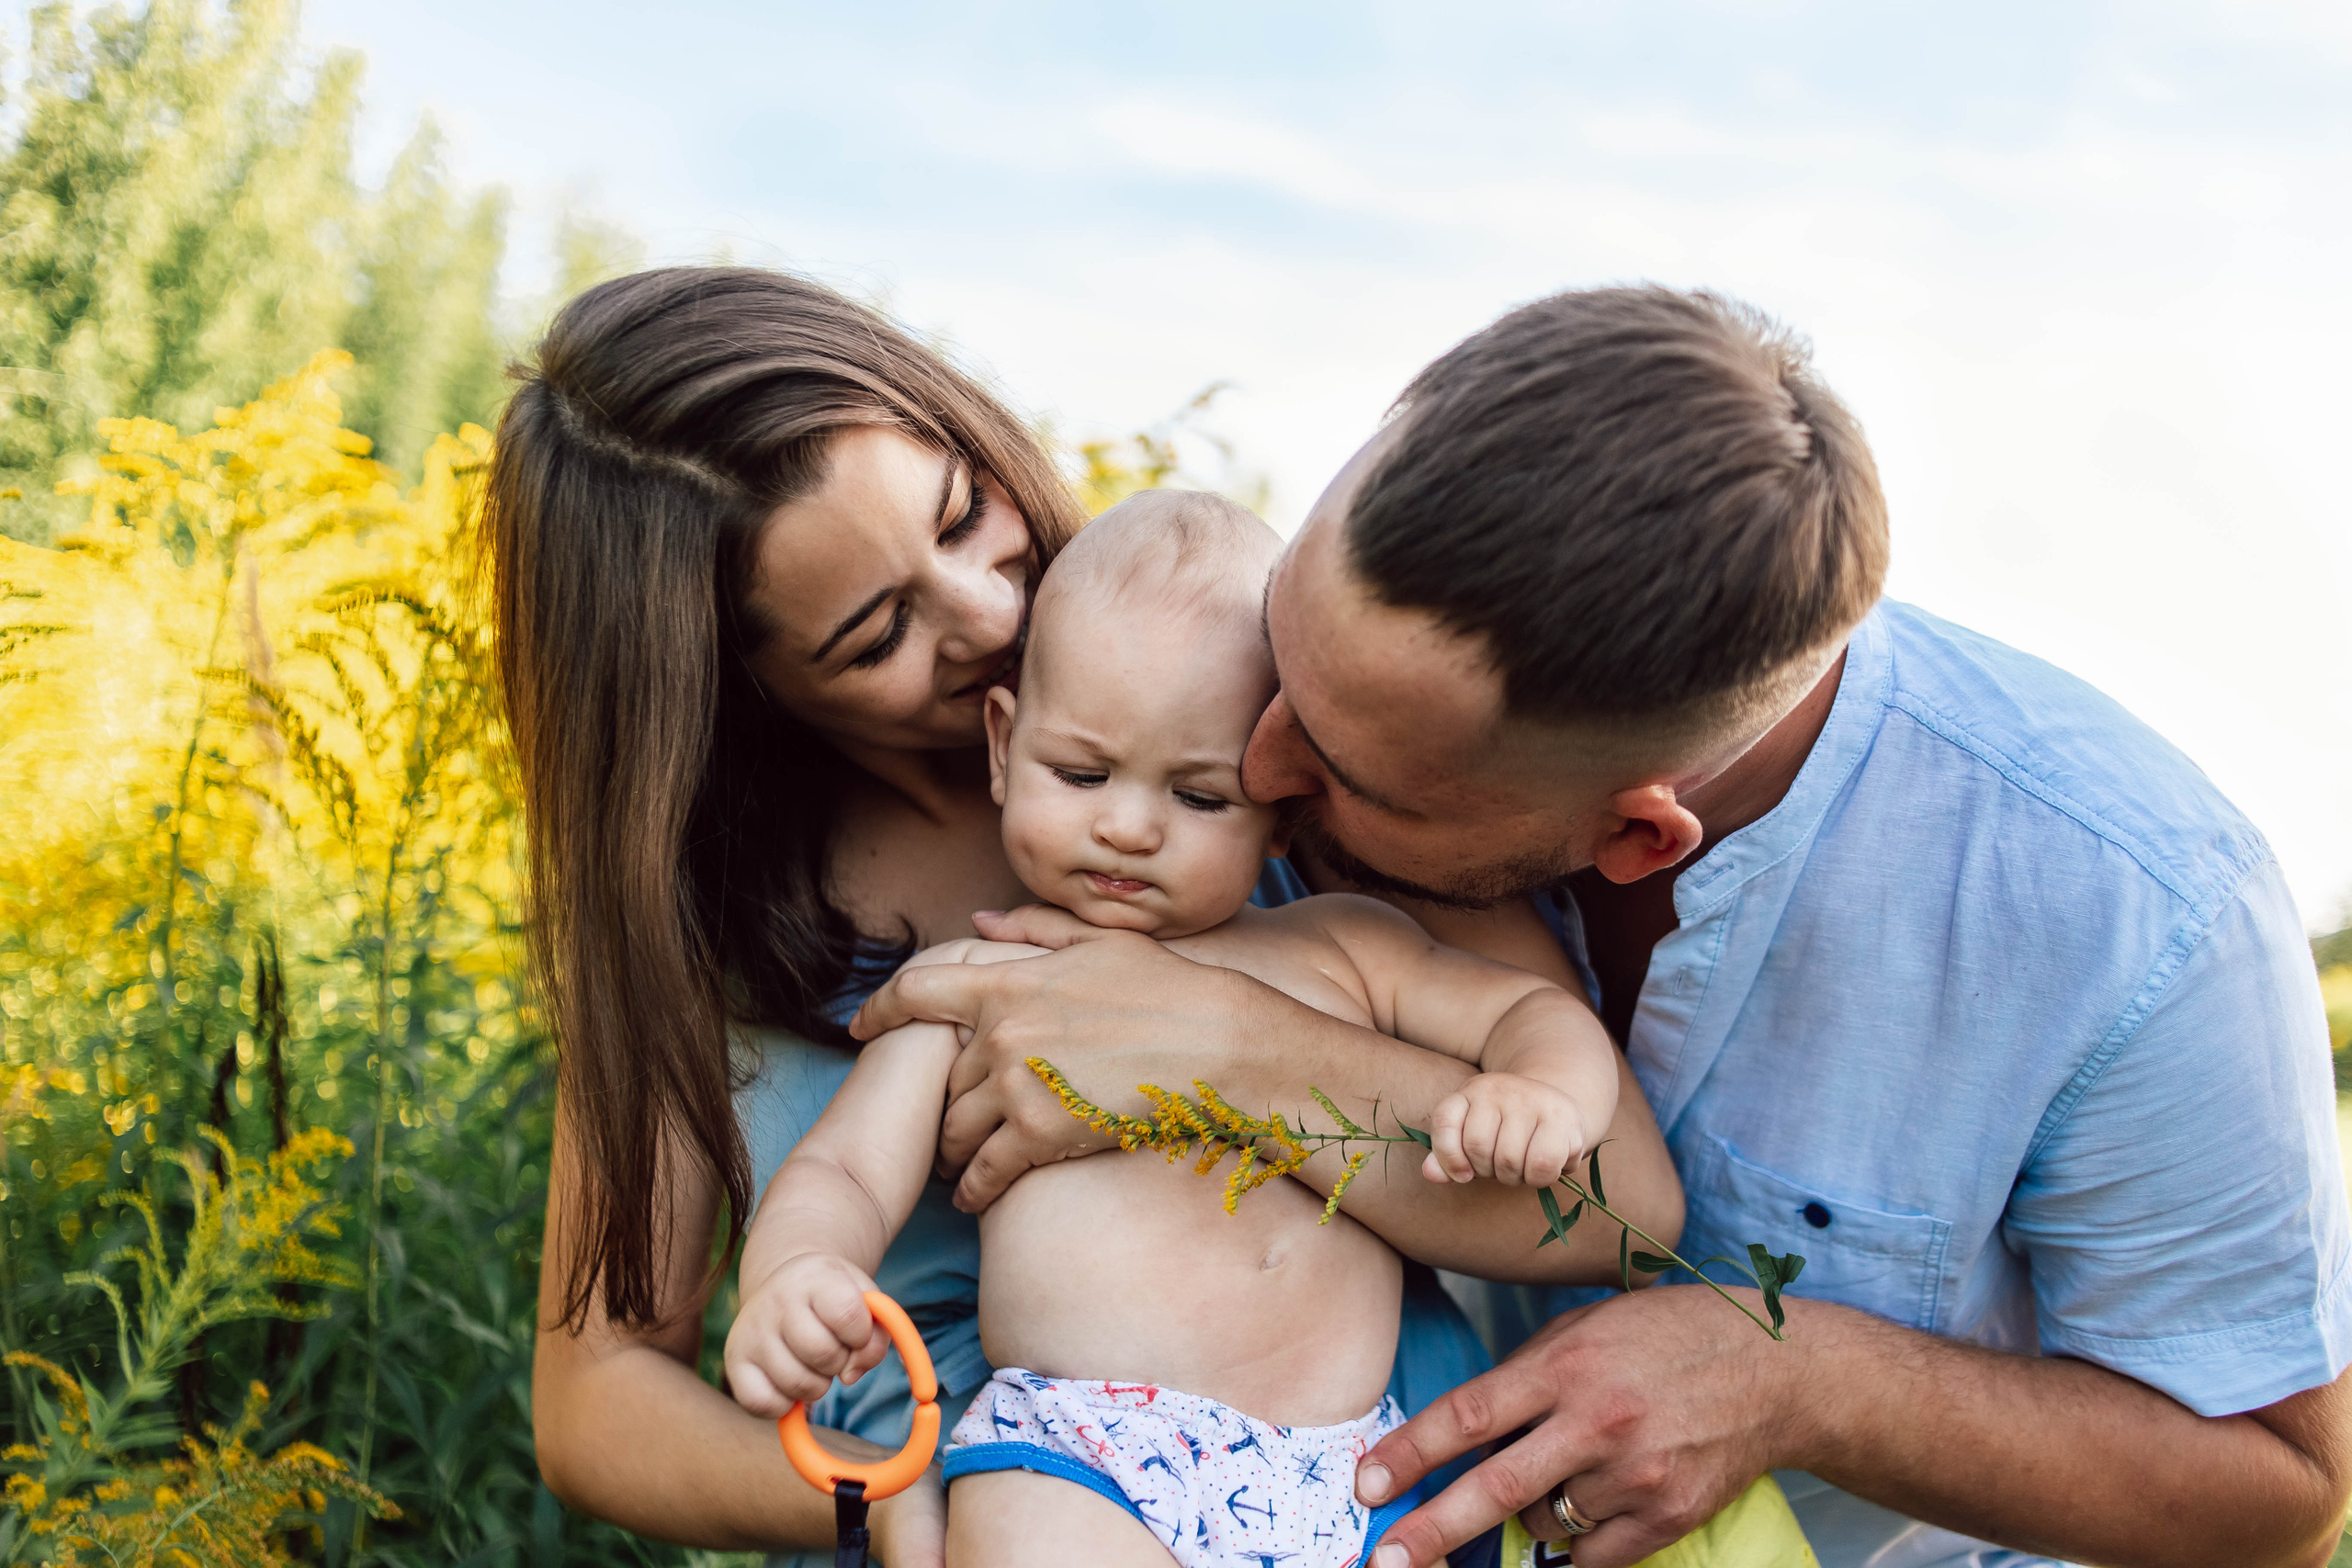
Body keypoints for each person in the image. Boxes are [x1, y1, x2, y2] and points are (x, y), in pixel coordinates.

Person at [850, 287, 2352, 1568]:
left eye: (1344, 771)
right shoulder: (1238, 705)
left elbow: (2280, 1484)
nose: (1256, 776)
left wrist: (1802, 1377)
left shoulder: (2134, 911)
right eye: (1279, 681)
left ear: (1637, 833)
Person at [489, 266, 1670, 1567]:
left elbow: (1617, 1200)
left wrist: (1216, 1044)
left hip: (1365, 1469)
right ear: (737, 682)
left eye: (959, 515)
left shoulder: (1249, 694)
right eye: (878, 631)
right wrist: (894, 1494)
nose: (992, 612)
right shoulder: (707, 927)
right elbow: (595, 1390)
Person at [721, 491, 1664, 1568]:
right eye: (1080, 775)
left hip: (1354, 1464)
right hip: (1081, 1457)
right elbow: (845, 1171)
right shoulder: (979, 983)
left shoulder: (1345, 946)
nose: (1127, 826)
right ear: (1003, 743)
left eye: (1201, 797)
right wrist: (796, 1273)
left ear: (1279, 795)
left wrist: (1543, 1092)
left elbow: (1527, 1012)